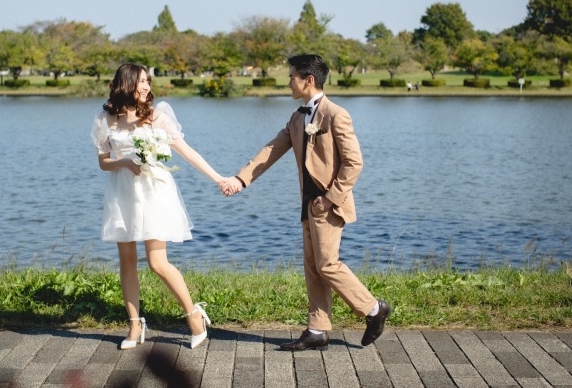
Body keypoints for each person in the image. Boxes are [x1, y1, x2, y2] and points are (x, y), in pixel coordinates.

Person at [221, 54, 391, 350]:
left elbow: (354, 163)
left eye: (292, 77)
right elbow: (272, 150)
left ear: (308, 80)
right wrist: (240, 179)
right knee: (313, 266)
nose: (289, 83)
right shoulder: (298, 117)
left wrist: (331, 197)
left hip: (329, 204)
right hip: (308, 204)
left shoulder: (336, 115)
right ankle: (317, 330)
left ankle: (374, 309)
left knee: (327, 265)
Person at [91, 63, 224, 350]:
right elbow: (103, 162)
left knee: (157, 263)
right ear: (126, 83)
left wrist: (218, 178)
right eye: (141, 81)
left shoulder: (155, 116)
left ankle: (194, 316)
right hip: (122, 193)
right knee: (127, 261)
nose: (146, 86)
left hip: (153, 192)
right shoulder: (106, 118)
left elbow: (187, 152)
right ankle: (135, 325)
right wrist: (124, 162)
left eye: (148, 81)